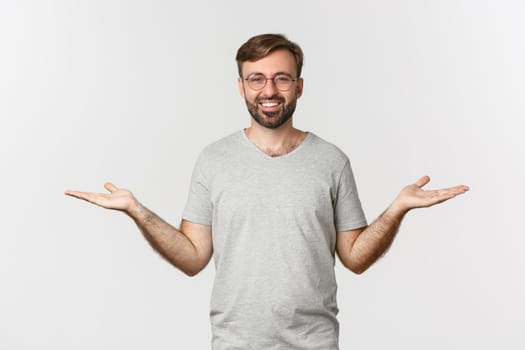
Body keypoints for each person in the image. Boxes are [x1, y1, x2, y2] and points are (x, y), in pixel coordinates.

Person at [65, 33, 469, 350]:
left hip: (315, 344)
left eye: (281, 78)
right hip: (235, 344)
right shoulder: (214, 159)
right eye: (256, 78)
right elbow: (192, 257)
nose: (269, 90)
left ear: (299, 85)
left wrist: (397, 209)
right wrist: (138, 211)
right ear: (241, 87)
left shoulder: (331, 160)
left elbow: (355, 258)